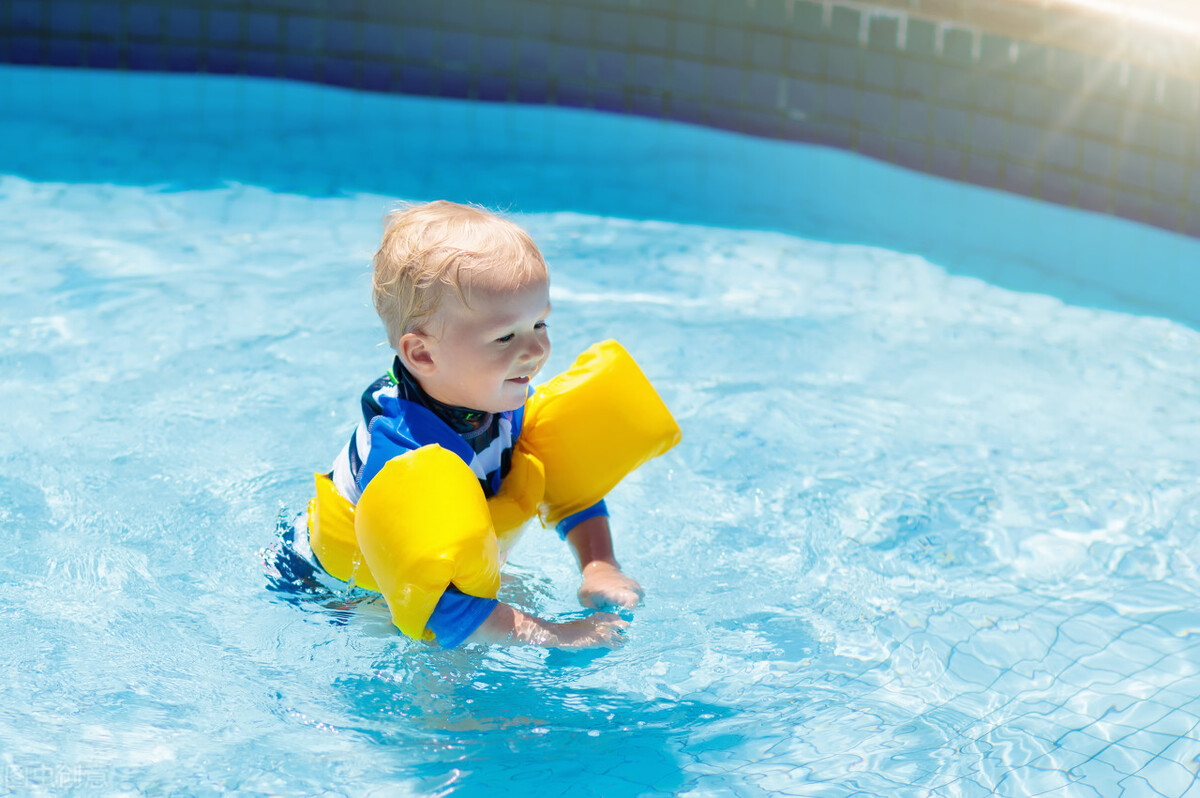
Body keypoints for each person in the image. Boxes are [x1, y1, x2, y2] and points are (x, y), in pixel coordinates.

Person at [316, 200, 653, 649]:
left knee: (515, 594)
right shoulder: (402, 455)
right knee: (442, 678)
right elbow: (436, 608)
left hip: (438, 568)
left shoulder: (496, 397)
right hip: (344, 598)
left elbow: (568, 480)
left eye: (539, 323)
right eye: (505, 336)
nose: (534, 350)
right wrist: (556, 635)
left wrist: (599, 564)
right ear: (422, 355)